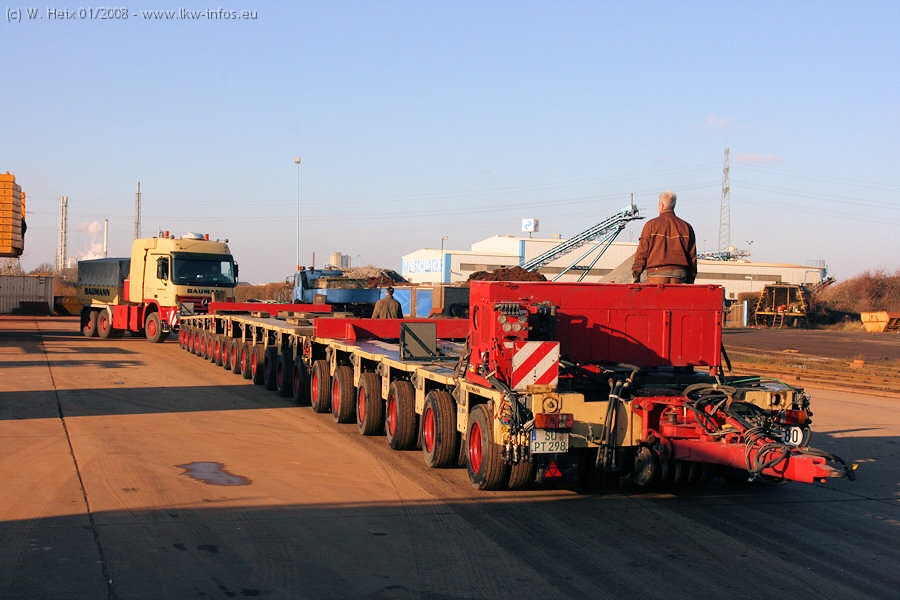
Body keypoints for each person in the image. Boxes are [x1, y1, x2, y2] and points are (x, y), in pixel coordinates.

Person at [632, 190, 697, 284]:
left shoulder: (651, 225)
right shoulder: (686, 227)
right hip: (680, 275)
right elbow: (692, 257)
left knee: (654, 299)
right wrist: (691, 279)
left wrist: (636, 274)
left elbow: (642, 252)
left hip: (656, 274)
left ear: (661, 205)